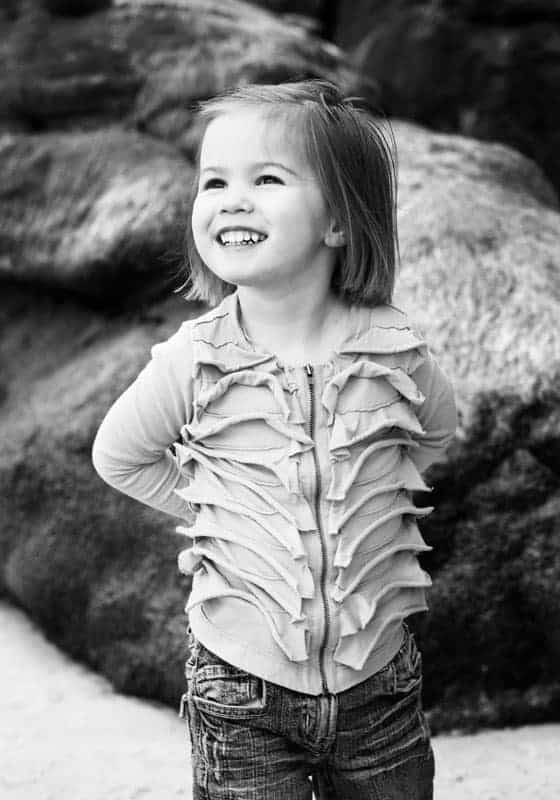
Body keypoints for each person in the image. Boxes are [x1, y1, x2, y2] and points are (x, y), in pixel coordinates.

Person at [92, 79, 456, 800]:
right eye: (214, 181)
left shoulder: (392, 348)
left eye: (266, 179)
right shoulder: (195, 358)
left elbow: (435, 431)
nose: (231, 198)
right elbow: (119, 457)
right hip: (240, 688)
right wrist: (219, 508)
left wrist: (370, 497)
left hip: (378, 682)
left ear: (339, 222)